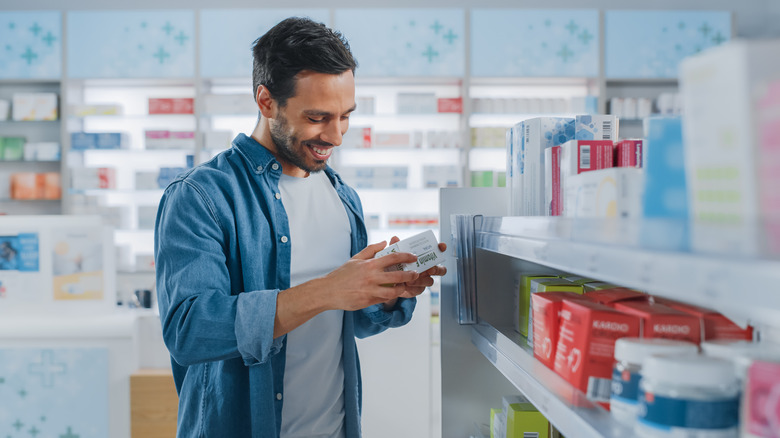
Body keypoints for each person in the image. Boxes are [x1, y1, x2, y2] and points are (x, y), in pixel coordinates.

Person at [154, 17, 447, 438]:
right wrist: (328, 289)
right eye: (317, 117)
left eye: (345, 116)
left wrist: (383, 293)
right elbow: (189, 331)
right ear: (266, 100)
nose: (336, 136)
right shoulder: (200, 196)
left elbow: (350, 322)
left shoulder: (343, 197)